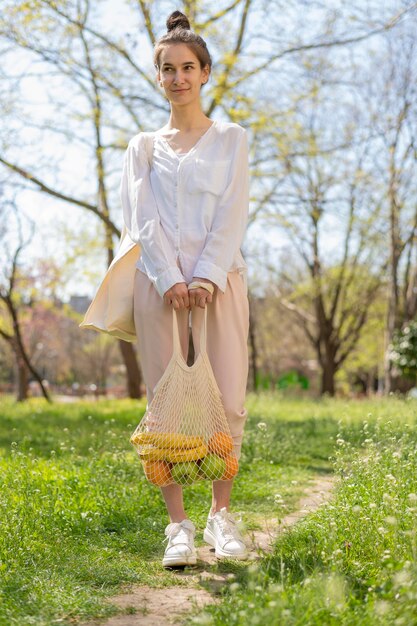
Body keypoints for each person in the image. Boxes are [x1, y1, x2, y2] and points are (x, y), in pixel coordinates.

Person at [120, 10, 250, 567]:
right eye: (167, 69)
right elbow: (140, 218)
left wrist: (205, 274)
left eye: (188, 68)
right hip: (159, 288)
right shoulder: (142, 147)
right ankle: (179, 527)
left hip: (221, 285)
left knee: (228, 402)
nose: (178, 78)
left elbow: (233, 211)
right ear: (158, 77)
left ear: (204, 74)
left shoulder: (231, 140)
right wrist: (172, 277)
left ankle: (223, 517)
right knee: (165, 404)